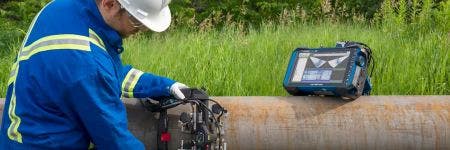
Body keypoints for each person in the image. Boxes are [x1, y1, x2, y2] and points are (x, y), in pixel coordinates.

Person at [0, 0, 188, 149]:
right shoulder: (87, 63)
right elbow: (115, 141)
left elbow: (109, 75)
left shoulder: (59, 8)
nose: (139, 31)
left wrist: (165, 85)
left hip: (16, 137)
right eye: (137, 22)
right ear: (110, 4)